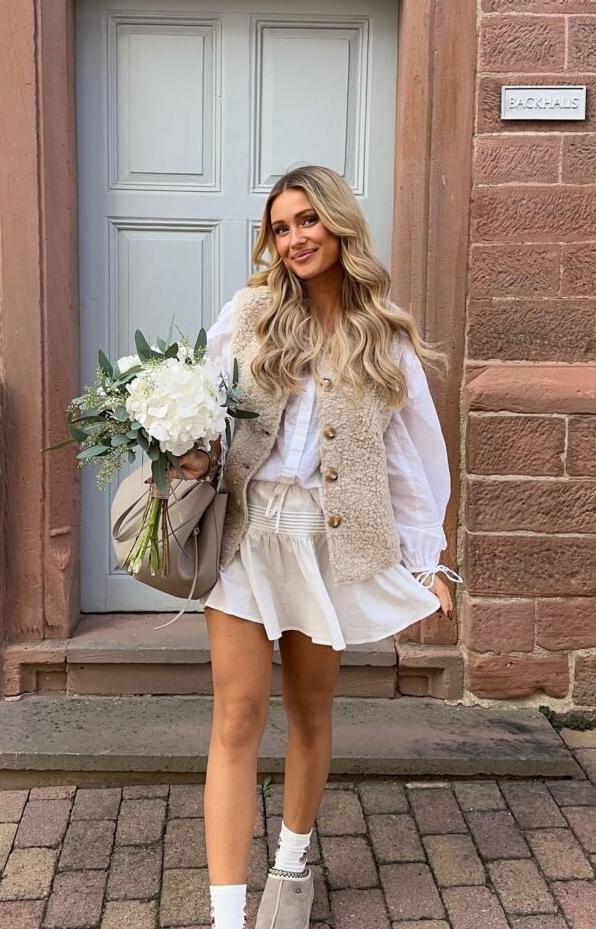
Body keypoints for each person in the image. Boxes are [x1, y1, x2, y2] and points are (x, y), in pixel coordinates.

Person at [173, 165, 462, 929]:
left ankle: (290, 865)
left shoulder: (383, 340)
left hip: (325, 546)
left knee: (308, 711)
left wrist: (427, 560)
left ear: (338, 224)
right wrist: (188, 451)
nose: (294, 238)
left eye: (307, 220)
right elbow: (204, 411)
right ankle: (227, 918)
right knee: (236, 718)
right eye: (280, 227)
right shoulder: (250, 314)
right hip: (245, 538)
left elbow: (412, 460)